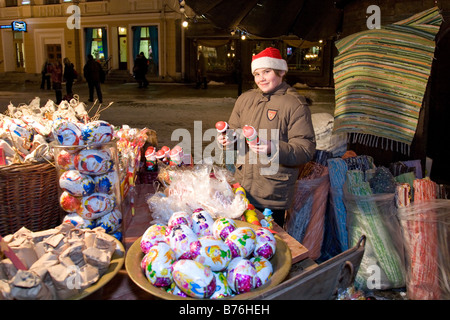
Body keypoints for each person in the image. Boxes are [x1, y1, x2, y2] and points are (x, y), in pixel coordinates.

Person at [217, 47, 316, 227]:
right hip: (243, 186)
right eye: (257, 74)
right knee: (242, 236)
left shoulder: (294, 104)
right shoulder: (245, 99)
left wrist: (273, 147)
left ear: (281, 71)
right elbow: (236, 132)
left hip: (272, 192)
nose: (261, 78)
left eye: (267, 72)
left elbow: (305, 148)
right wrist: (228, 139)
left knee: (268, 239)